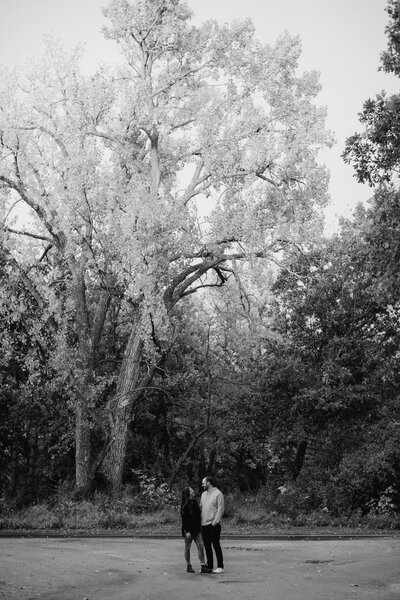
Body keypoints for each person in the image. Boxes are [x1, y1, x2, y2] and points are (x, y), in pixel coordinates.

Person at [180, 486, 212, 573]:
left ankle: (203, 566)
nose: (193, 491)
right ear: (187, 493)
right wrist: (187, 531)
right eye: (190, 490)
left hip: (197, 529)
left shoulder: (194, 502)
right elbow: (184, 520)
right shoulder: (184, 506)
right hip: (188, 530)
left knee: (201, 546)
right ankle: (188, 565)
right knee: (187, 547)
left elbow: (198, 515)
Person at [200, 476, 225, 573]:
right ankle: (209, 566)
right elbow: (201, 507)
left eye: (203, 483)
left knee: (216, 545)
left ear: (208, 483)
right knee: (207, 546)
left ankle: (220, 566)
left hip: (213, 524)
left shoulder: (218, 494)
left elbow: (221, 508)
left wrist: (215, 521)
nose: (202, 485)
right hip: (204, 524)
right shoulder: (203, 495)